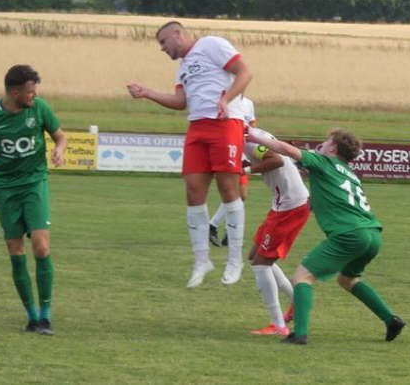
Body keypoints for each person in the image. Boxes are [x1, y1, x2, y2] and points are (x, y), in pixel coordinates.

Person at [247, 127, 406, 344]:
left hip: (349, 234)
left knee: (302, 277)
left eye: (325, 142)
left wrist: (254, 136)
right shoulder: (348, 173)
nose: (321, 144)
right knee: (348, 279)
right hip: (373, 234)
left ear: (333, 148)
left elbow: (286, 150)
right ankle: (391, 320)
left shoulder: (324, 162)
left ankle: (299, 333)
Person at [127, 21, 253, 288]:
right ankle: (201, 260)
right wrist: (147, 93)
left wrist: (225, 99)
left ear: (177, 34)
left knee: (228, 189)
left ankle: (234, 260)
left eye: (163, 42)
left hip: (225, 123)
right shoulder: (182, 68)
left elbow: (244, 72)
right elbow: (180, 102)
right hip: (197, 127)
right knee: (194, 193)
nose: (162, 49)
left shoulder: (211, 44)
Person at [0, 64, 67, 335]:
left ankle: (46, 317)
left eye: (35, 92)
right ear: (14, 92)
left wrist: (59, 150)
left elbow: (60, 137)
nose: (33, 97)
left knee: (42, 248)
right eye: (29, 93)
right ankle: (32, 316)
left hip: (35, 183)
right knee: (16, 252)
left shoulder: (40, 109)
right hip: (4, 190)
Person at [241, 128, 310, 336]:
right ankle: (296, 303)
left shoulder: (248, 139)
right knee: (255, 257)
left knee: (261, 264)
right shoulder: (251, 134)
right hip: (284, 204)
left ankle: (278, 325)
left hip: (290, 206)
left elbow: (277, 160)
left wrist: (243, 171)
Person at [209, 95, 257, 248]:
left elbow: (252, 129)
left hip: (242, 152)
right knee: (236, 194)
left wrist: (251, 153)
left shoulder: (248, 103)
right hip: (230, 150)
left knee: (240, 195)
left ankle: (223, 230)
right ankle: (216, 227)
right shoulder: (222, 100)